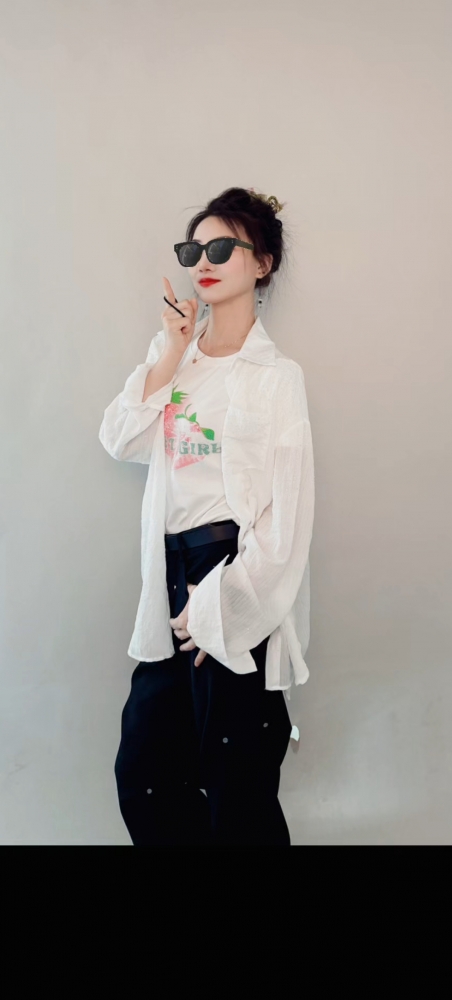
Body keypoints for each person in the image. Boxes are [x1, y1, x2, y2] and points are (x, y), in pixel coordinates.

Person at [98, 186, 315, 847]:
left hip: (232, 572)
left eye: (221, 248)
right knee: (146, 772)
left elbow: (286, 517)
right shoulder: (176, 359)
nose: (203, 262)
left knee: (236, 779)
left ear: (262, 262)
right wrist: (170, 349)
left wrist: (222, 599)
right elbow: (120, 439)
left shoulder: (275, 377)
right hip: (169, 575)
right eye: (193, 250)